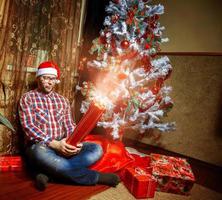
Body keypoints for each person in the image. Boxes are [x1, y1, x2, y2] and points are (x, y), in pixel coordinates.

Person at [19, 61, 120, 190]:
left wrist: (75, 143)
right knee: (38, 152)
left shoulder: (63, 100)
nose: (49, 82)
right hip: (41, 146)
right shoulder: (27, 98)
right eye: (46, 78)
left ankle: (49, 173)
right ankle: (95, 177)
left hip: (64, 144)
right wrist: (55, 144)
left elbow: (70, 125)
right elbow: (29, 128)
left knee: (96, 149)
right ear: (39, 77)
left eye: (53, 79)